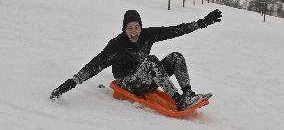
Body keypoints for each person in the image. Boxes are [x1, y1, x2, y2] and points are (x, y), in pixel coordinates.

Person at [50, 9, 222, 111]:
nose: (134, 32)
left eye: (137, 27)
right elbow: (94, 65)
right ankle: (179, 101)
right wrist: (70, 83)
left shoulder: (147, 35)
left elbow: (174, 30)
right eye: (130, 28)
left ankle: (188, 94)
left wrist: (201, 23)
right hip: (128, 82)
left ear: (141, 26)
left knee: (176, 56)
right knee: (151, 61)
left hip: (147, 78)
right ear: (124, 29)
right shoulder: (117, 45)